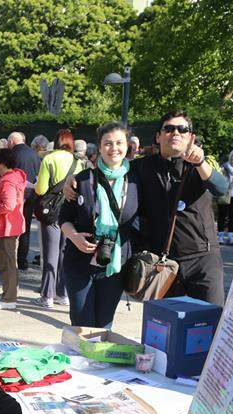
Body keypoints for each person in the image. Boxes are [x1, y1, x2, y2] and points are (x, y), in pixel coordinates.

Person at [81, 110, 228, 305]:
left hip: (203, 260)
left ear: (190, 137)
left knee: (210, 319)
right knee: (166, 322)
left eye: (182, 129)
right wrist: (73, 181)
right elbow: (107, 171)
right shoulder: (141, 167)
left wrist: (200, 162)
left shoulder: (201, 165)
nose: (175, 133)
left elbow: (221, 189)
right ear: (158, 137)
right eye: (169, 129)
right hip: (163, 264)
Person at [59, 121, 139, 328]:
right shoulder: (82, 180)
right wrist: (74, 237)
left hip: (115, 265)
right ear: (100, 147)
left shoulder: (136, 181)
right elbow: (64, 218)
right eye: (108, 143)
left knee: (104, 325)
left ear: (128, 146)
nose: (114, 148)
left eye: (119, 143)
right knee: (82, 324)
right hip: (79, 263)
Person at [34, 129, 79, 308]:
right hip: (71, 213)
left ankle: (47, 296)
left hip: (52, 213)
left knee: (50, 255)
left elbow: (40, 189)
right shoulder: (78, 162)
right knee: (64, 254)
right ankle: (63, 294)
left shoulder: (49, 159)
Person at [0, 148, 25, 310]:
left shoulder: (7, 182)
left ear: (3, 163)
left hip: (6, 227)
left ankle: (9, 298)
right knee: (7, 262)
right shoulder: (14, 177)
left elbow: (8, 205)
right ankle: (8, 294)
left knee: (7, 263)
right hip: (11, 226)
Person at [8, 131, 42, 270]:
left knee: (12, 226)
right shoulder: (34, 154)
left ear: (11, 142)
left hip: (16, 194)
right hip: (31, 194)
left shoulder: (12, 154)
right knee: (25, 226)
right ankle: (22, 259)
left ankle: (12, 259)